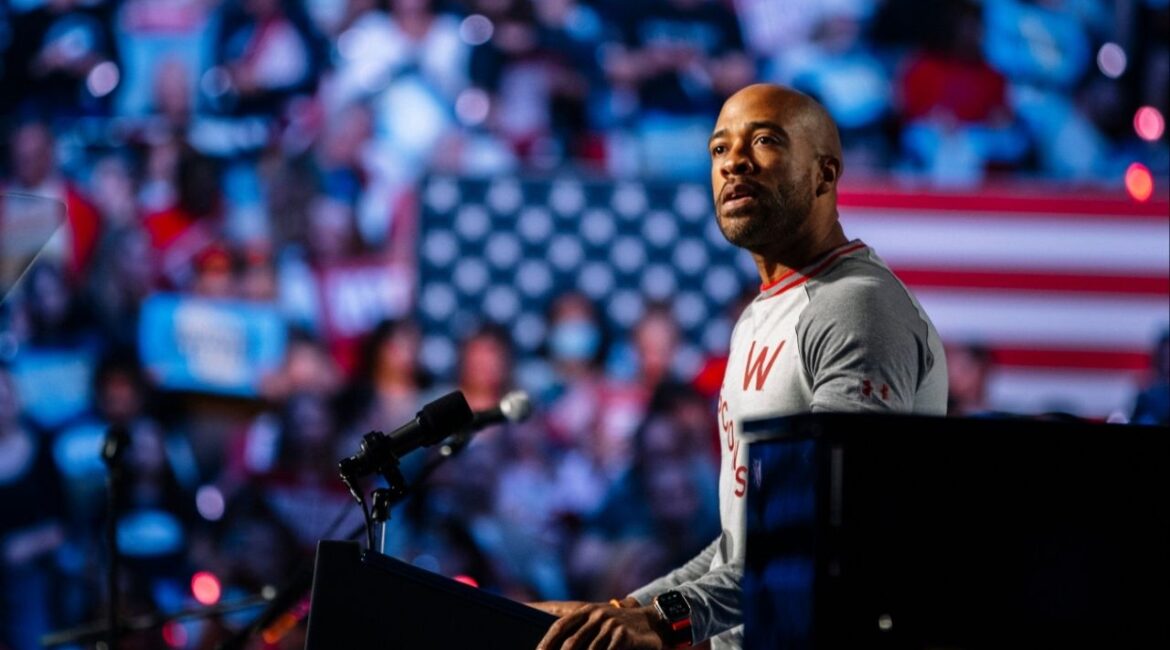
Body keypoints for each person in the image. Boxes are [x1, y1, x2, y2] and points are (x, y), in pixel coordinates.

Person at [534, 83, 948, 649]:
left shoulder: (856, 306)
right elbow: (741, 547)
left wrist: (660, 621)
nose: (735, 163)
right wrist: (622, 609)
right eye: (719, 149)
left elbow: (825, 535)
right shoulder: (759, 316)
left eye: (765, 141)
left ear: (825, 175)